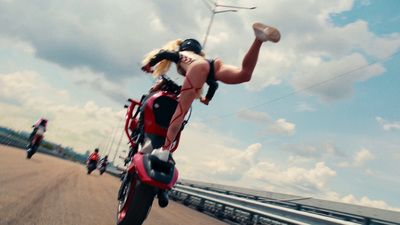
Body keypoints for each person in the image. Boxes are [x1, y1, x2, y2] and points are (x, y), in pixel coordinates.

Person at [141, 22, 280, 161]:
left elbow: (163, 53)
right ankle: (259, 39)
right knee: (244, 74)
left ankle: (164, 150)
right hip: (213, 63)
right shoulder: (200, 57)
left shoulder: (181, 55)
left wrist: (149, 64)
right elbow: (213, 84)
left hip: (196, 67)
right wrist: (207, 98)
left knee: (180, 111)